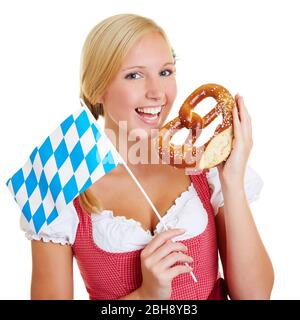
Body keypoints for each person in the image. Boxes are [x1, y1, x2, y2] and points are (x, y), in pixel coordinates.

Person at [24, 13, 274, 300]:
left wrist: (233, 183)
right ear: (97, 89)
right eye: (134, 75)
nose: (158, 93)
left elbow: (255, 296)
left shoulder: (203, 167)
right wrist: (144, 297)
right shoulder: (59, 185)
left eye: (165, 72)